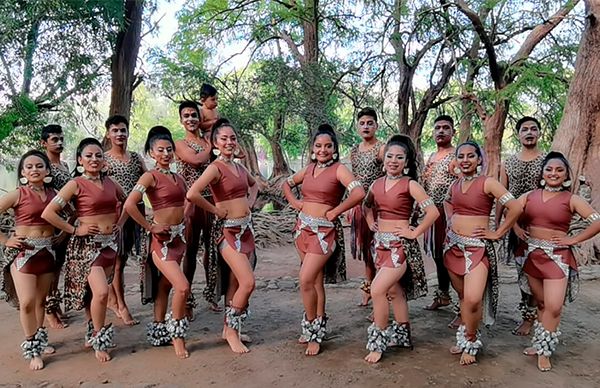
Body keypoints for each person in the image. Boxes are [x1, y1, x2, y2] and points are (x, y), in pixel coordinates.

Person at [42, 138, 127, 363]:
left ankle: (92, 329)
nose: (94, 159)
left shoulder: (111, 183)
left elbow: (127, 202)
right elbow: (49, 213)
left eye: (98, 155)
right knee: (101, 293)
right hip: (87, 247)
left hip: (110, 244)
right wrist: (74, 229)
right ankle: (100, 340)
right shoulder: (76, 184)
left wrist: (120, 223)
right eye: (88, 155)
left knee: (93, 294)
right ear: (80, 160)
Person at [283, 124, 365, 356]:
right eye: (318, 146)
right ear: (312, 148)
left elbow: (358, 193)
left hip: (324, 233)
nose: (323, 150)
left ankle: (312, 332)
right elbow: (286, 184)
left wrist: (337, 211)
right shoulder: (308, 169)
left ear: (335, 149)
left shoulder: (339, 170)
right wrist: (296, 203)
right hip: (302, 230)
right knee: (315, 282)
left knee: (306, 279)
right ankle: (318, 322)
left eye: (328, 146)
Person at [514, 152, 600, 372]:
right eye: (549, 169)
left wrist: (573, 239)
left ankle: (545, 351)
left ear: (566, 175)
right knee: (541, 303)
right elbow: (510, 210)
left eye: (559, 170)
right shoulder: (530, 195)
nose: (553, 173)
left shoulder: (572, 199)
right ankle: (538, 343)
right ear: (542, 173)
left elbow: (596, 222)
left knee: (553, 306)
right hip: (531, 255)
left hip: (558, 258)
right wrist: (516, 228)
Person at [444, 141, 522, 366]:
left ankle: (471, 341)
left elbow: (516, 206)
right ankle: (464, 334)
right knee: (462, 298)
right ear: (456, 160)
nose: (465, 160)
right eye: (461, 156)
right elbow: (447, 202)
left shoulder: (488, 183)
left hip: (477, 249)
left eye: (471, 156)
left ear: (480, 160)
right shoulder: (455, 185)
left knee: (473, 299)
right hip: (452, 247)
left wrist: (498, 232)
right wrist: (450, 219)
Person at [362, 135, 438, 363]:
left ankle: (379, 342)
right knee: (394, 291)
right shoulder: (376, 185)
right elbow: (365, 205)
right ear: (383, 159)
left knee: (377, 290)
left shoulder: (410, 184)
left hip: (399, 246)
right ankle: (403, 336)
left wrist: (414, 232)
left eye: (399, 157)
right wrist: (369, 222)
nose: (393, 161)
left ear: (406, 162)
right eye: (390, 156)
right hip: (380, 245)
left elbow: (433, 212)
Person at [186, 119, 259, 354]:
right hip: (226, 231)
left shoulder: (239, 167)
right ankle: (230, 330)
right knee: (248, 283)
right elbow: (192, 193)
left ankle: (231, 328)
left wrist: (249, 202)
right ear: (215, 143)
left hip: (246, 230)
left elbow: (254, 185)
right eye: (224, 138)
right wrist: (216, 210)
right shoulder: (215, 168)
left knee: (236, 282)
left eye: (232, 138)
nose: (229, 142)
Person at [125, 126, 191, 359]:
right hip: (160, 243)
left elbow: (189, 200)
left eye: (169, 149)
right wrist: (150, 226)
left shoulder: (178, 177)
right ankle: (177, 335)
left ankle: (158, 328)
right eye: (160, 150)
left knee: (165, 286)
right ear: (152, 153)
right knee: (182, 286)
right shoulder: (149, 177)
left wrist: (184, 220)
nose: (165, 154)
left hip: (179, 240)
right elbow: (130, 204)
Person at [0, 151, 57, 370]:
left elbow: (72, 213)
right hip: (24, 254)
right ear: (23, 172)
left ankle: (41, 340)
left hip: (48, 253)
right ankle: (33, 349)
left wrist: (63, 234)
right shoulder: (17, 194)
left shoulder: (54, 194)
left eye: (39, 166)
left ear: (47, 170)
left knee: (41, 302)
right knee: (26, 303)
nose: (35, 170)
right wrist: (5, 240)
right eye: (29, 167)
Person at [498, 116, 546, 336]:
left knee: (542, 271)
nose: (529, 132)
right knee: (523, 271)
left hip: (543, 226)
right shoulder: (508, 162)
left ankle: (544, 313)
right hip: (517, 226)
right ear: (518, 134)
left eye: (533, 129)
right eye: (524, 129)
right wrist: (503, 227)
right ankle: (528, 315)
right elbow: (502, 195)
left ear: (539, 133)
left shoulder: (548, 161)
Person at [103, 114, 146, 326]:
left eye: (123, 130)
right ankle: (121, 305)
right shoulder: (103, 160)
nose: (120, 134)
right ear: (108, 134)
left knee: (132, 256)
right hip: (117, 214)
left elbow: (149, 181)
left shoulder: (136, 158)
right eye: (115, 130)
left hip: (137, 212)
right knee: (117, 261)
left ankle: (114, 298)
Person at [174, 100, 213, 317]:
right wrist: (209, 146)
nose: (190, 119)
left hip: (211, 201)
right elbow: (197, 161)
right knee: (190, 250)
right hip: (190, 202)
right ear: (181, 120)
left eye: (194, 115)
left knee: (212, 249)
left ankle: (211, 292)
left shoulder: (208, 139)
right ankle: (187, 298)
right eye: (186, 115)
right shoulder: (180, 144)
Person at [421, 115, 460, 326]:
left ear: (453, 132)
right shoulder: (432, 157)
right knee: (437, 256)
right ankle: (443, 295)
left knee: (451, 256)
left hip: (451, 214)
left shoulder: (457, 156)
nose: (441, 131)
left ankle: (463, 305)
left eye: (446, 127)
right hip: (433, 214)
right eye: (437, 128)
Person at [348, 107, 385, 308]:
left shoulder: (381, 148)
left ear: (376, 126)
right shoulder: (353, 151)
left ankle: (381, 290)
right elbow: (351, 180)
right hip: (358, 208)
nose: (366, 126)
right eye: (362, 123)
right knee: (365, 252)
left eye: (370, 123)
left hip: (378, 207)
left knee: (378, 250)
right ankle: (368, 288)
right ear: (357, 126)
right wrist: (348, 207)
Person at [40, 125, 71, 329]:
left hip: (67, 221)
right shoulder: (43, 167)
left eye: (61, 139)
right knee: (49, 268)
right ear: (44, 143)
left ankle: (54, 303)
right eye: (54, 140)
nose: (59, 143)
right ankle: (48, 310)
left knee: (59, 265)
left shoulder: (65, 166)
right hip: (51, 221)